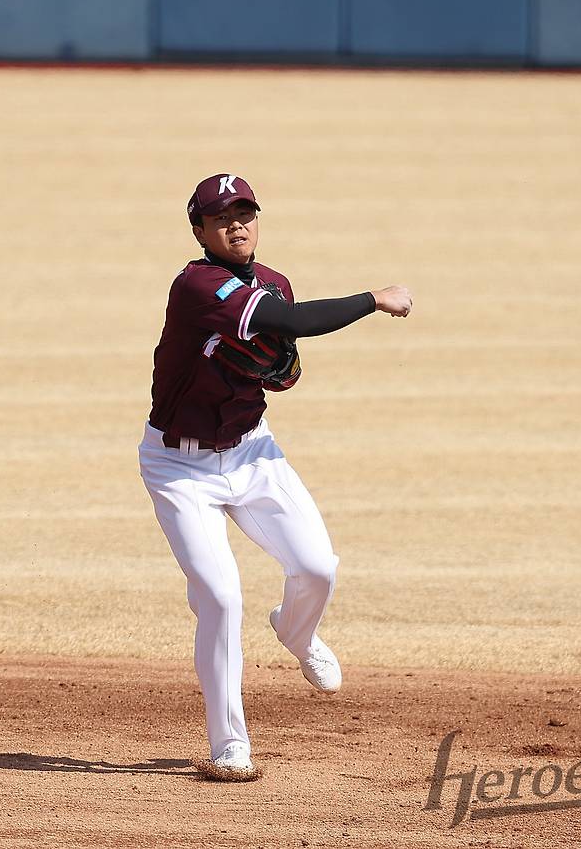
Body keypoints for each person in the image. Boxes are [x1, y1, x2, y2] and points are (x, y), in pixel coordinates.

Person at [138, 173, 413, 781]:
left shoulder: (273, 285)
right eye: (220, 218)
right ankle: (228, 744)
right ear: (200, 231)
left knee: (317, 566)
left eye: (245, 213)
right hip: (179, 468)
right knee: (220, 596)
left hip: (252, 454)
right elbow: (301, 325)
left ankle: (297, 633)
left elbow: (283, 363)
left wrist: (280, 366)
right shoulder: (198, 286)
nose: (236, 225)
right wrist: (374, 297)